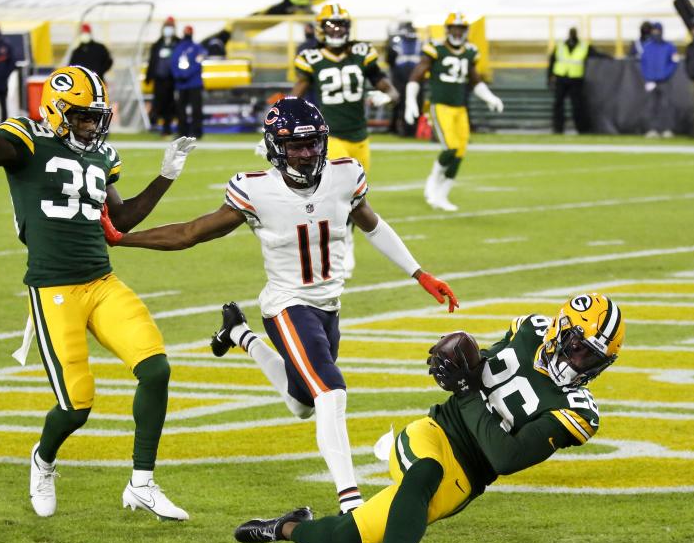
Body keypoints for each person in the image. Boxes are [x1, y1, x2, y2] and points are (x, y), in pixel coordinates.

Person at [99, 97, 458, 515]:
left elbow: (373, 225)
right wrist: (126, 238)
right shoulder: (255, 189)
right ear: (274, 146)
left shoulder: (345, 176)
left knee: (303, 403)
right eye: (295, 145)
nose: (306, 154)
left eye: (312, 144)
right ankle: (352, 506)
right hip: (287, 305)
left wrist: (420, 273)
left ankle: (238, 333)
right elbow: (192, 232)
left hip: (328, 306)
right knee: (330, 392)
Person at [0, 34, 198, 521]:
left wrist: (166, 176)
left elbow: (120, 223)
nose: (91, 125)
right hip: (54, 288)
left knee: (156, 369)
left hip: (100, 282)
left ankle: (142, 483)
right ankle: (43, 459)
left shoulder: (100, 156)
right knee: (76, 406)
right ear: (56, 111)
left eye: (97, 117)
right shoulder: (26, 141)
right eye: (82, 116)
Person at [234, 292, 625, 543]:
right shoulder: (530, 328)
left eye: (593, 357)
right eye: (578, 347)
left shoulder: (579, 411)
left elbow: (504, 457)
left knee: (339, 539)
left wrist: (469, 388)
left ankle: (284, 527)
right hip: (435, 431)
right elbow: (481, 364)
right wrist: (458, 359)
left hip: (467, 478)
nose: (580, 362)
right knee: (425, 470)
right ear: (560, 329)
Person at [291, 4, 399, 278]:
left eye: (341, 25)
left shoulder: (361, 53)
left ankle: (344, 241)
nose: (336, 30)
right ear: (320, 28)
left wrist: (388, 95)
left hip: (360, 136)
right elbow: (296, 96)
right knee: (339, 191)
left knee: (355, 197)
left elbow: (384, 83)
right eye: (331, 25)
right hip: (332, 135)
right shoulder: (311, 58)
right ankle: (341, 246)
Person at [404, 12, 504, 212]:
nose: (458, 32)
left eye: (461, 28)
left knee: (460, 152)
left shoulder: (469, 52)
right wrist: (410, 101)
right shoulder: (435, 49)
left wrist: (490, 97)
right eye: (454, 28)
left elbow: (475, 81)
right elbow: (416, 76)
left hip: (460, 108)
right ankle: (433, 180)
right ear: (448, 30)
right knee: (450, 147)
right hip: (440, 105)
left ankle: (442, 195)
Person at [547, 27, 606, 135]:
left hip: (575, 79)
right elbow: (552, 61)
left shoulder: (583, 46)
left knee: (577, 105)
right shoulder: (560, 46)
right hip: (561, 77)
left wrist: (610, 57)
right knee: (558, 104)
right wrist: (550, 76)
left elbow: (597, 54)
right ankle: (558, 128)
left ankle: (581, 129)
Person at [639, 22, 679, 138]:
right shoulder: (647, 46)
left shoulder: (669, 46)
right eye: (654, 30)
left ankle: (667, 129)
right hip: (651, 80)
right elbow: (643, 63)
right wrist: (647, 76)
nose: (655, 33)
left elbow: (674, 62)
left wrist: (666, 74)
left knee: (666, 105)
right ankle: (652, 129)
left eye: (657, 30)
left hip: (664, 80)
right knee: (651, 105)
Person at [145, 16, 180, 136]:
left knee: (170, 105)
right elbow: (152, 61)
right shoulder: (158, 44)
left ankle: (167, 128)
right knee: (159, 103)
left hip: (172, 79)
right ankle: (155, 124)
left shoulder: (178, 43)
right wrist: (148, 77)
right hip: (159, 79)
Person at [386, 21, 422, 137]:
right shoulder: (398, 42)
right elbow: (390, 59)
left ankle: (409, 129)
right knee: (400, 103)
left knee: (409, 103)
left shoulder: (419, 42)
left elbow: (390, 59)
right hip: (404, 77)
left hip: (411, 78)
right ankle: (401, 128)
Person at [170, 25, 205, 139]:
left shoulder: (197, 48)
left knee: (196, 109)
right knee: (181, 110)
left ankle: (197, 132)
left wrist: (186, 74)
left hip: (194, 83)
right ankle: (182, 132)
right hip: (182, 84)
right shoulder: (178, 48)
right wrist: (178, 75)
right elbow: (173, 63)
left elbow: (199, 62)